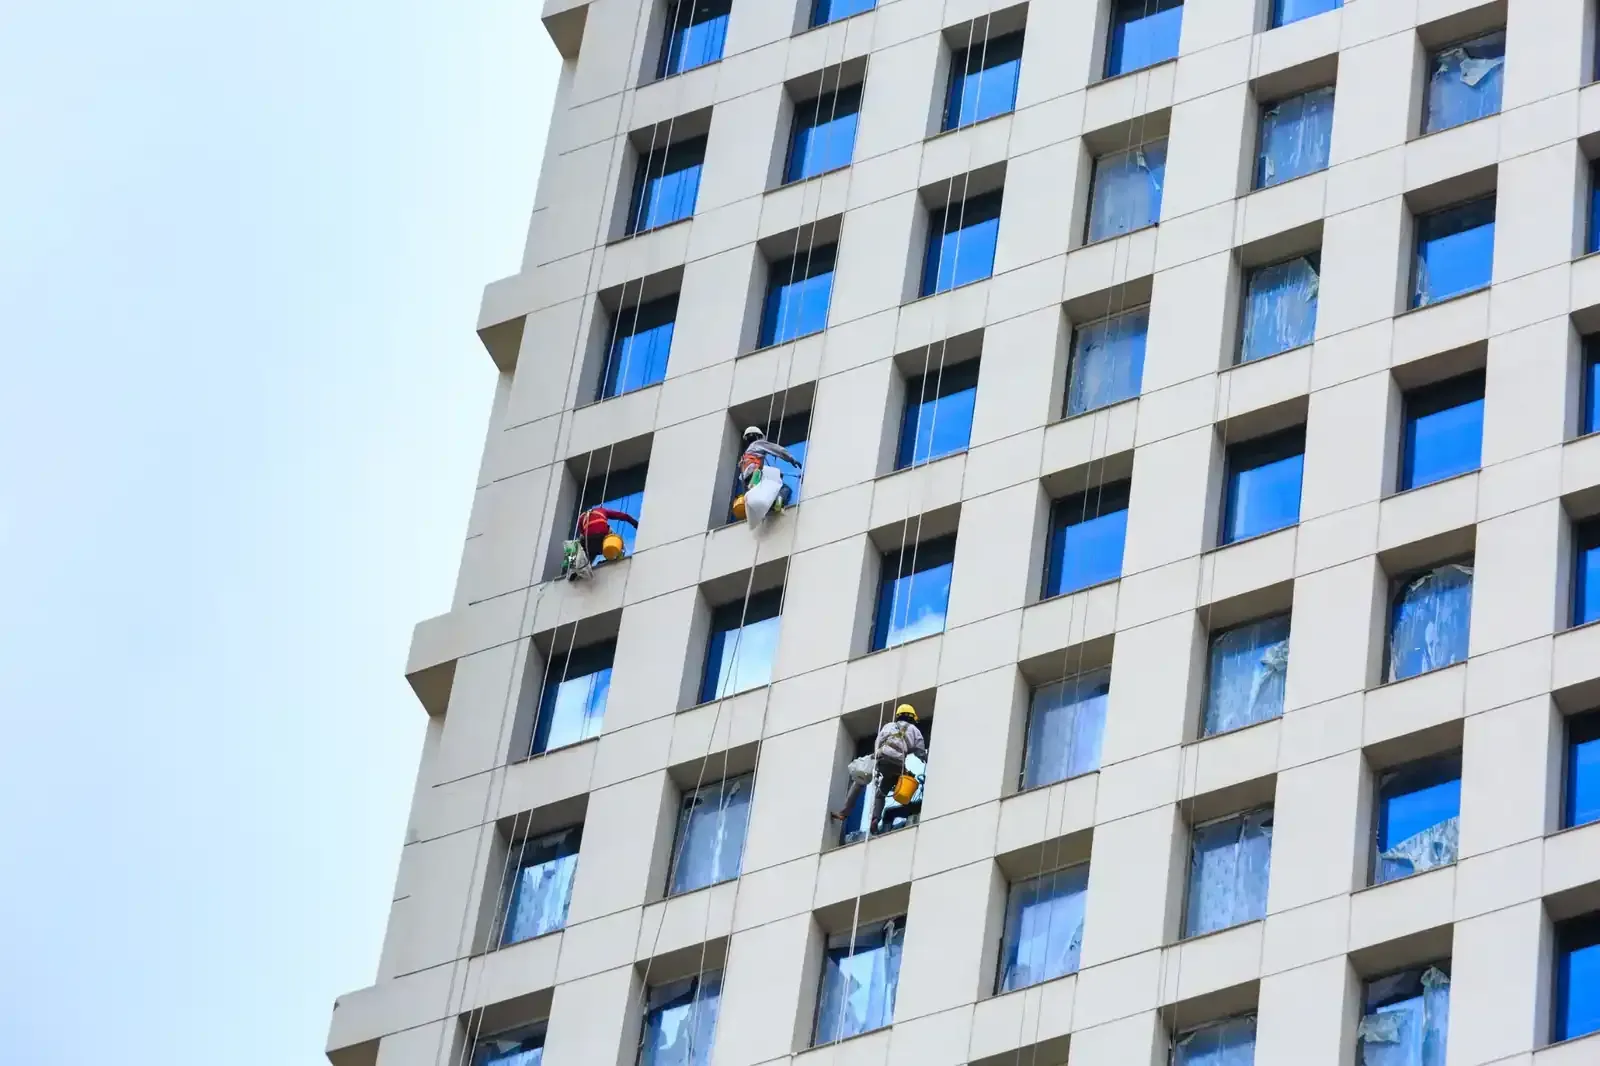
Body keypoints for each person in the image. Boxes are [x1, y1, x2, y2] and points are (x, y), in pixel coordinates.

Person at [831, 704, 928, 835]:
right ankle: (875, 819)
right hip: (897, 764)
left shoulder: (888, 726)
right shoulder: (915, 731)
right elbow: (920, 752)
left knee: (860, 780)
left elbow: (878, 742)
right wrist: (926, 759)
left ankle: (844, 812)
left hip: (881, 758)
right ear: (911, 717)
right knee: (881, 793)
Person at [735, 426, 801, 526]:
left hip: (750, 483)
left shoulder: (745, 456)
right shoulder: (757, 444)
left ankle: (772, 507)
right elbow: (776, 449)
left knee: (768, 492)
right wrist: (791, 459)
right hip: (755, 477)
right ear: (758, 436)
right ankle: (778, 503)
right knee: (785, 489)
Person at [565, 504, 638, 579]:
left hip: (588, 541)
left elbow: (582, 532)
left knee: (584, 546)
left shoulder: (581, 517)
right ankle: (617, 556)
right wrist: (635, 523)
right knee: (614, 536)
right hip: (602, 538)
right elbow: (622, 516)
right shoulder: (603, 511)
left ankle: (579, 568)